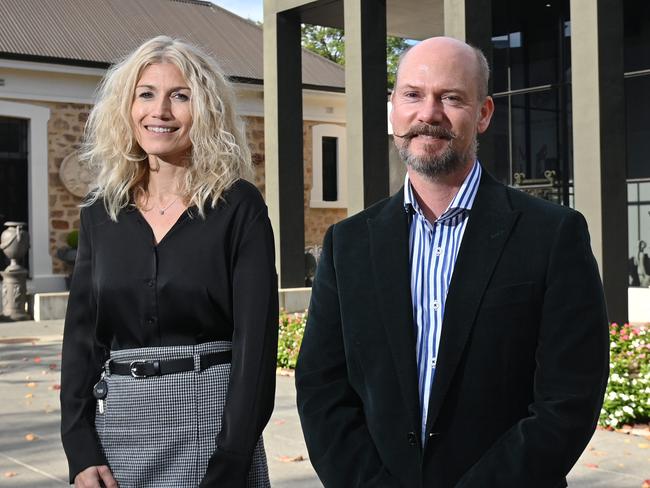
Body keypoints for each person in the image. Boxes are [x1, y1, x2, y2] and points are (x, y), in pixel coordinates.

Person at [295, 36, 609, 487]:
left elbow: (568, 400)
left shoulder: (552, 235)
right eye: (413, 95)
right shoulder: (347, 245)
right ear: (393, 109)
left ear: (483, 114)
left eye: (451, 97)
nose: (429, 113)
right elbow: (322, 389)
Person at [60, 36, 278, 488]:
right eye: (146, 94)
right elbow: (81, 341)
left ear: (205, 111)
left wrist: (232, 459)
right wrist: (79, 448)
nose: (159, 111)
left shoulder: (239, 207)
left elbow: (255, 346)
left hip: (213, 431)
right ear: (127, 107)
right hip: (118, 434)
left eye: (180, 96)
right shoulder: (101, 212)